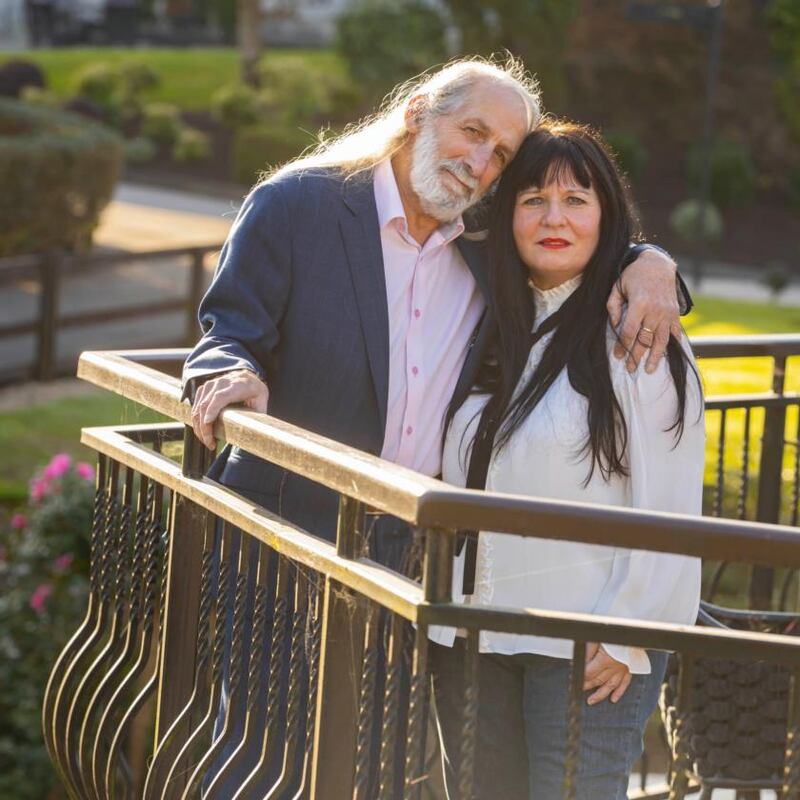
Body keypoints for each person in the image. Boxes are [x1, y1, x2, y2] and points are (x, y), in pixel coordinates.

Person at [183, 58, 689, 798]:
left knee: (373, 772)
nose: (480, 164)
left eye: (502, 155)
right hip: (284, 533)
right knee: (263, 761)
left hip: (409, 563)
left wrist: (651, 264)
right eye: (472, 132)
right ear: (419, 112)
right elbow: (227, 330)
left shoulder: (487, 241)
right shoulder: (297, 204)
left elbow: (578, 227)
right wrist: (227, 376)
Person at [428, 120, 704, 800]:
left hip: (587, 645)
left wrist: (625, 634)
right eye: (533, 201)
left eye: (576, 200)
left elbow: (671, 501)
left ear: (606, 216)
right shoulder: (491, 321)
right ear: (508, 216)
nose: (554, 218)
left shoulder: (637, 331)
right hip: (478, 634)